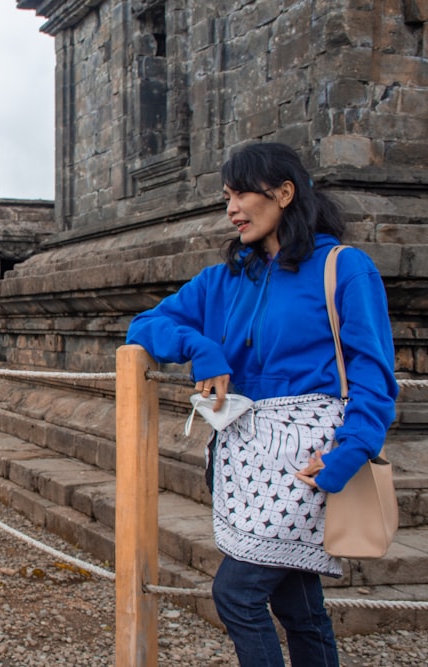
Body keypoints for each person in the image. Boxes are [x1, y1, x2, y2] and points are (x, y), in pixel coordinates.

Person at [126, 142, 397, 666]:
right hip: (244, 458)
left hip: (309, 460)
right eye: (226, 196)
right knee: (297, 604)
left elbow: (373, 373)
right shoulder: (226, 279)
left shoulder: (345, 269)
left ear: (284, 193)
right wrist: (203, 350)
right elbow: (145, 325)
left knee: (237, 593)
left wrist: (351, 451)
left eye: (242, 193)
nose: (231, 208)